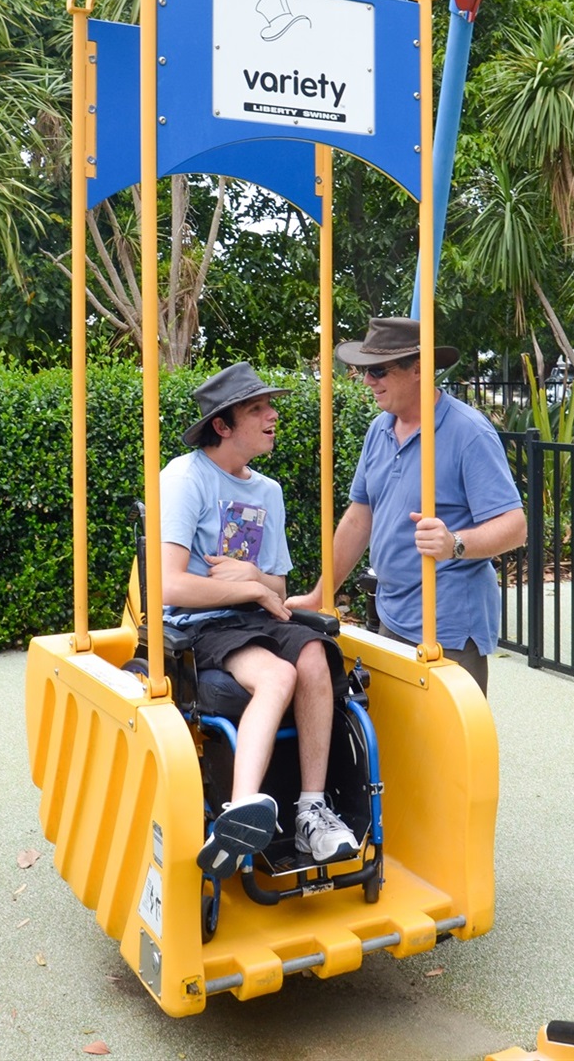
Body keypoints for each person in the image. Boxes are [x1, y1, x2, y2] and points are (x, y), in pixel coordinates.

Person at [161, 362, 359, 879]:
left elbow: (277, 589)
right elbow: (167, 584)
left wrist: (251, 577)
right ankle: (237, 812)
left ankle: (310, 811)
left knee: (315, 654)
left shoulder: (267, 492)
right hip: (201, 622)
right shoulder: (185, 478)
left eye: (269, 406)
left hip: (258, 615)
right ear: (222, 426)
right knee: (279, 674)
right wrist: (246, 587)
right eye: (257, 409)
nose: (273, 415)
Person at [288, 317, 526, 693]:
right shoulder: (379, 429)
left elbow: (514, 526)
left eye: (378, 370)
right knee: (398, 741)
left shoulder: (468, 432)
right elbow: (358, 519)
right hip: (391, 613)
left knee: (446, 747)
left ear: (419, 369)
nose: (368, 381)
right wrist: (321, 594)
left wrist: (455, 544)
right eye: (365, 370)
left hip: (446, 624)